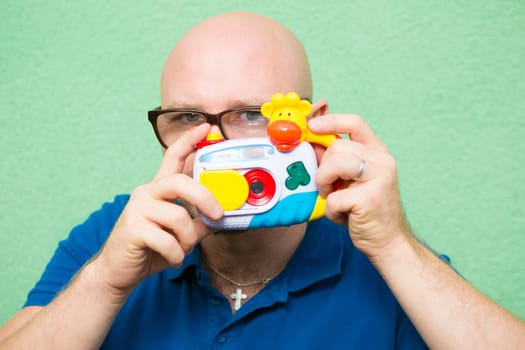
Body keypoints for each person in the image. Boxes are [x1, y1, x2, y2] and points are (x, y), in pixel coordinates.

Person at [1, 11, 524, 349]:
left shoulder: (382, 256)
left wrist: (396, 249)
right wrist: (106, 281)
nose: (213, 146)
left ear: (315, 126)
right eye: (187, 118)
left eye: (250, 114)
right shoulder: (116, 235)